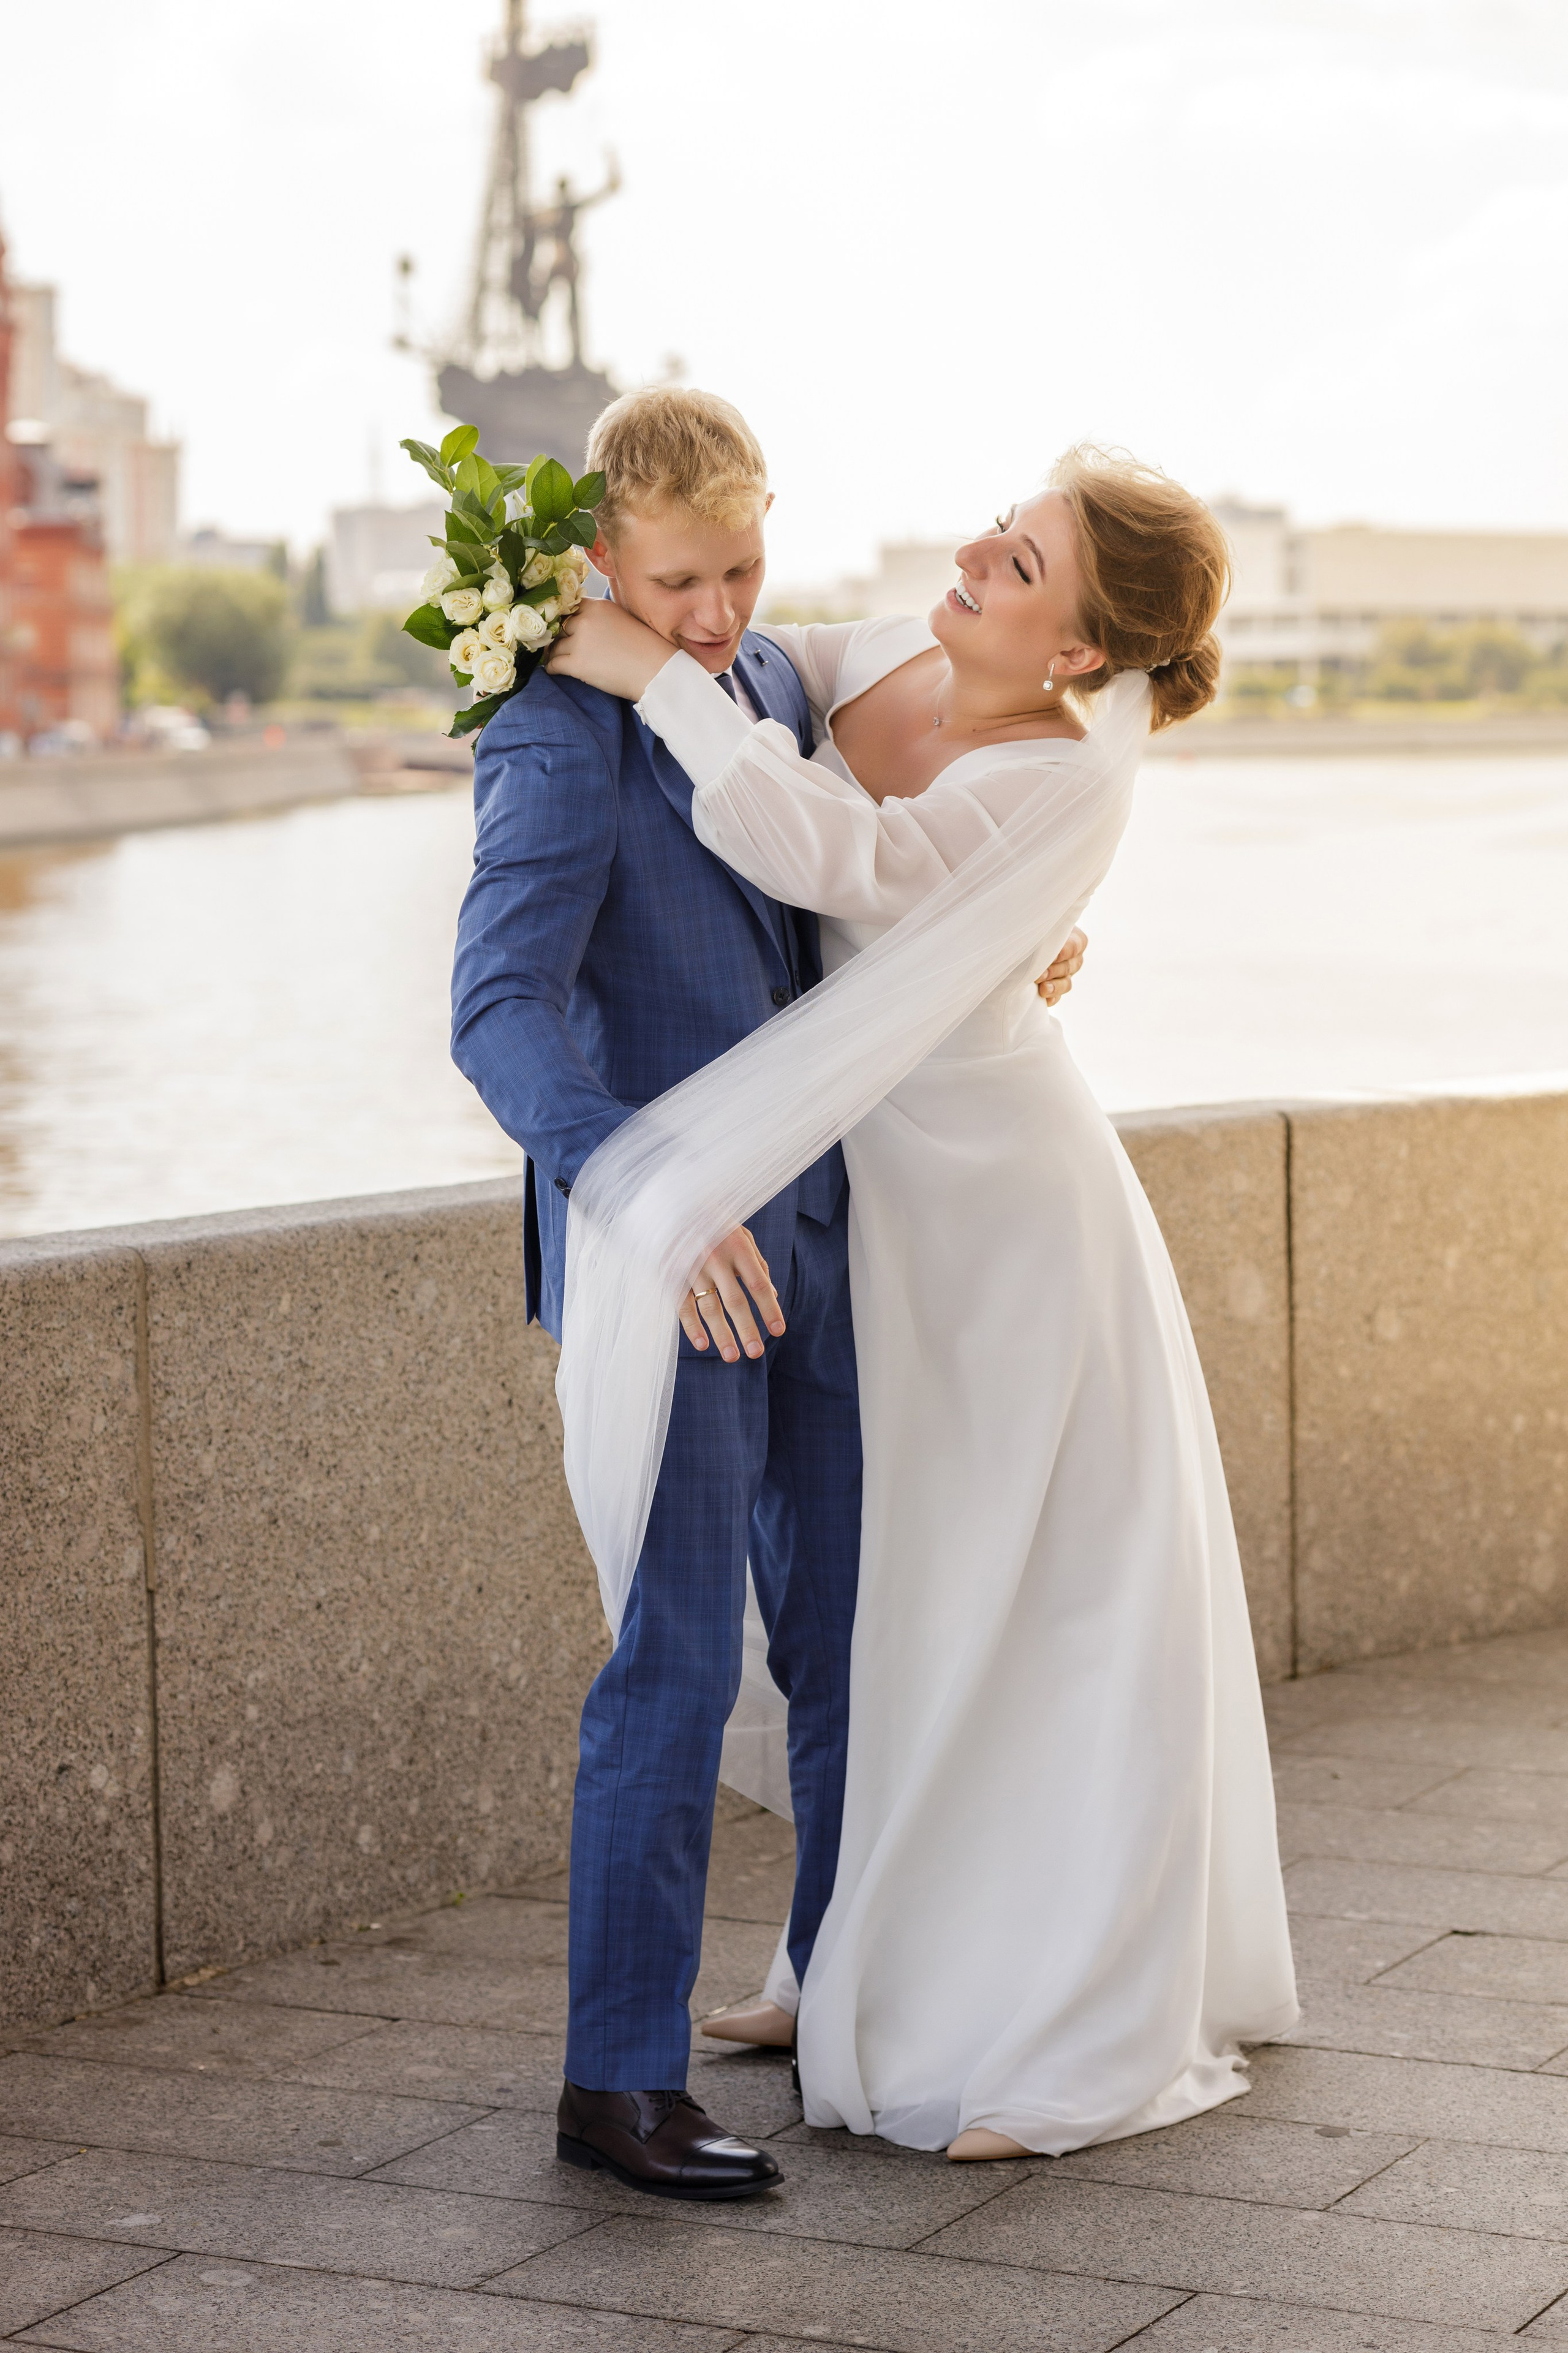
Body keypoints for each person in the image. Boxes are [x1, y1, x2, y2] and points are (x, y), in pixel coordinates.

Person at [546, 443, 1299, 2161]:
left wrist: (650, 676)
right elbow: (764, 657)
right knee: (885, 1599)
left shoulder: (1055, 778)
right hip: (874, 1196)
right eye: (1005, 527)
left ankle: (1071, 2019)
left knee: (1035, 1597)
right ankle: (839, 1950)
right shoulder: (900, 644)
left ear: (1083, 659)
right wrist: (649, 629)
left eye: (1021, 564)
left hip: (1000, 1207)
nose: (975, 553)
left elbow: (845, 862)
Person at [449, 386, 1085, 2199]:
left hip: (822, 1236)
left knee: (844, 1640)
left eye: (741, 568)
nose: (716, 614)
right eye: (675, 583)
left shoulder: (777, 688)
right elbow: (495, 1017)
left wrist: (1027, 936)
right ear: (596, 567)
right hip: (678, 1262)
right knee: (672, 1658)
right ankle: (617, 2079)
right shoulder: (555, 738)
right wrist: (646, 1195)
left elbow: (889, 877)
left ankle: (841, 1981)